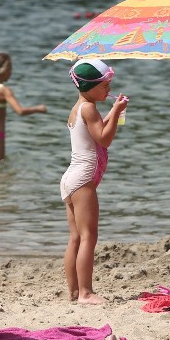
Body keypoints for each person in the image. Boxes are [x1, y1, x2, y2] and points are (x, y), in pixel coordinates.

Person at [61, 59, 128, 304]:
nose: (108, 90)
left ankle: (74, 291)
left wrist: (114, 111)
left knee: (76, 237)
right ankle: (86, 293)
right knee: (89, 236)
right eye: (104, 86)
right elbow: (104, 138)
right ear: (89, 87)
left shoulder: (81, 106)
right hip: (83, 179)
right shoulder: (89, 108)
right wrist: (118, 113)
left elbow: (96, 129)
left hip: (70, 179)